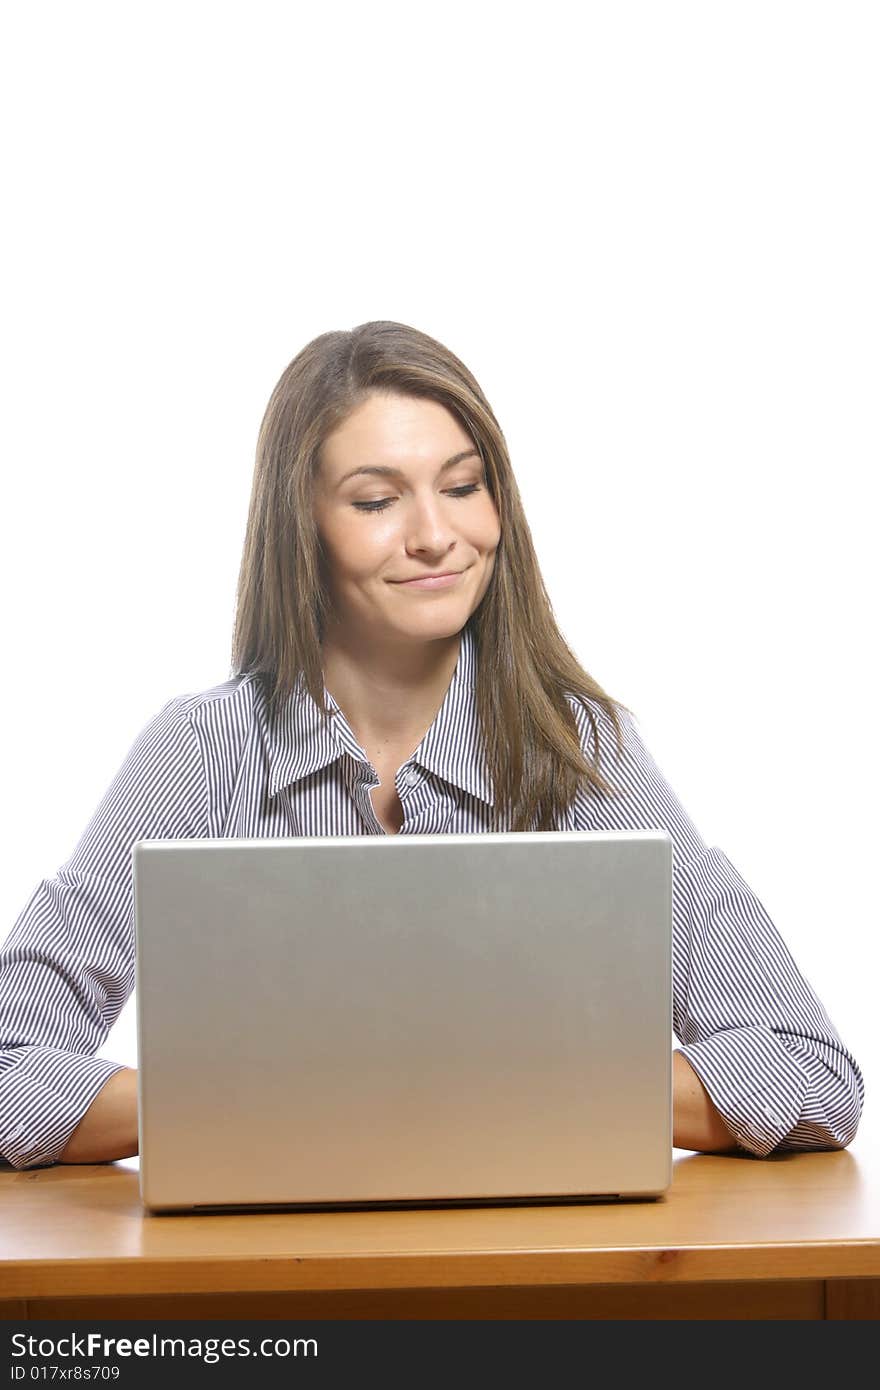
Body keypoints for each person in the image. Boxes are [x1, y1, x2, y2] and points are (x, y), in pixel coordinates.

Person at [0, 321, 864, 1171]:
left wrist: (507, 1089)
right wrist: (251, 1099)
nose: (435, 535)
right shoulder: (201, 752)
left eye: (462, 486)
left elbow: (812, 1072)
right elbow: (10, 1069)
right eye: (377, 501)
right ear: (302, 528)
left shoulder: (573, 749)